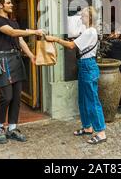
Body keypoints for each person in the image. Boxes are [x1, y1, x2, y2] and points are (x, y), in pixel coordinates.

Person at [46, 7, 107, 144]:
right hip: (85, 66)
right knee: (83, 100)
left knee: (92, 100)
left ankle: (101, 132)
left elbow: (72, 46)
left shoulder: (90, 31)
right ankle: (87, 128)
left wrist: (55, 39)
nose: (81, 18)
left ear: (90, 18)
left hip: (88, 66)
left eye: (84, 16)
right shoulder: (87, 31)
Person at [0, 0, 44, 144]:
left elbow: (19, 40)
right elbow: (12, 33)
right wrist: (34, 31)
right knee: (7, 96)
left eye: (11, 2)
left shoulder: (14, 21)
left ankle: (12, 128)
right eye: (8, 3)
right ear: (0, 5)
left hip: (15, 59)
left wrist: (32, 56)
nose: (11, 5)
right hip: (2, 60)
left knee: (16, 96)